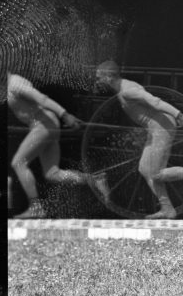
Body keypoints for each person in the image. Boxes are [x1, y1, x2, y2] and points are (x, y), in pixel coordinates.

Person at [94, 61, 183, 219]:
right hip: (156, 127)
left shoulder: (127, 90)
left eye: (99, 78)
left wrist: (180, 115)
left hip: (162, 127)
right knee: (145, 169)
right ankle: (167, 209)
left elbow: (155, 101)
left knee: (155, 172)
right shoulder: (123, 89)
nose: (97, 82)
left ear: (109, 77)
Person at [8, 72, 110, 219]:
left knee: (18, 162)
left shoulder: (15, 84)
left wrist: (65, 114)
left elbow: (41, 99)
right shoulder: (5, 85)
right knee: (52, 174)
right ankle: (94, 179)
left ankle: (36, 207)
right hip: (45, 124)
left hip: (43, 124)